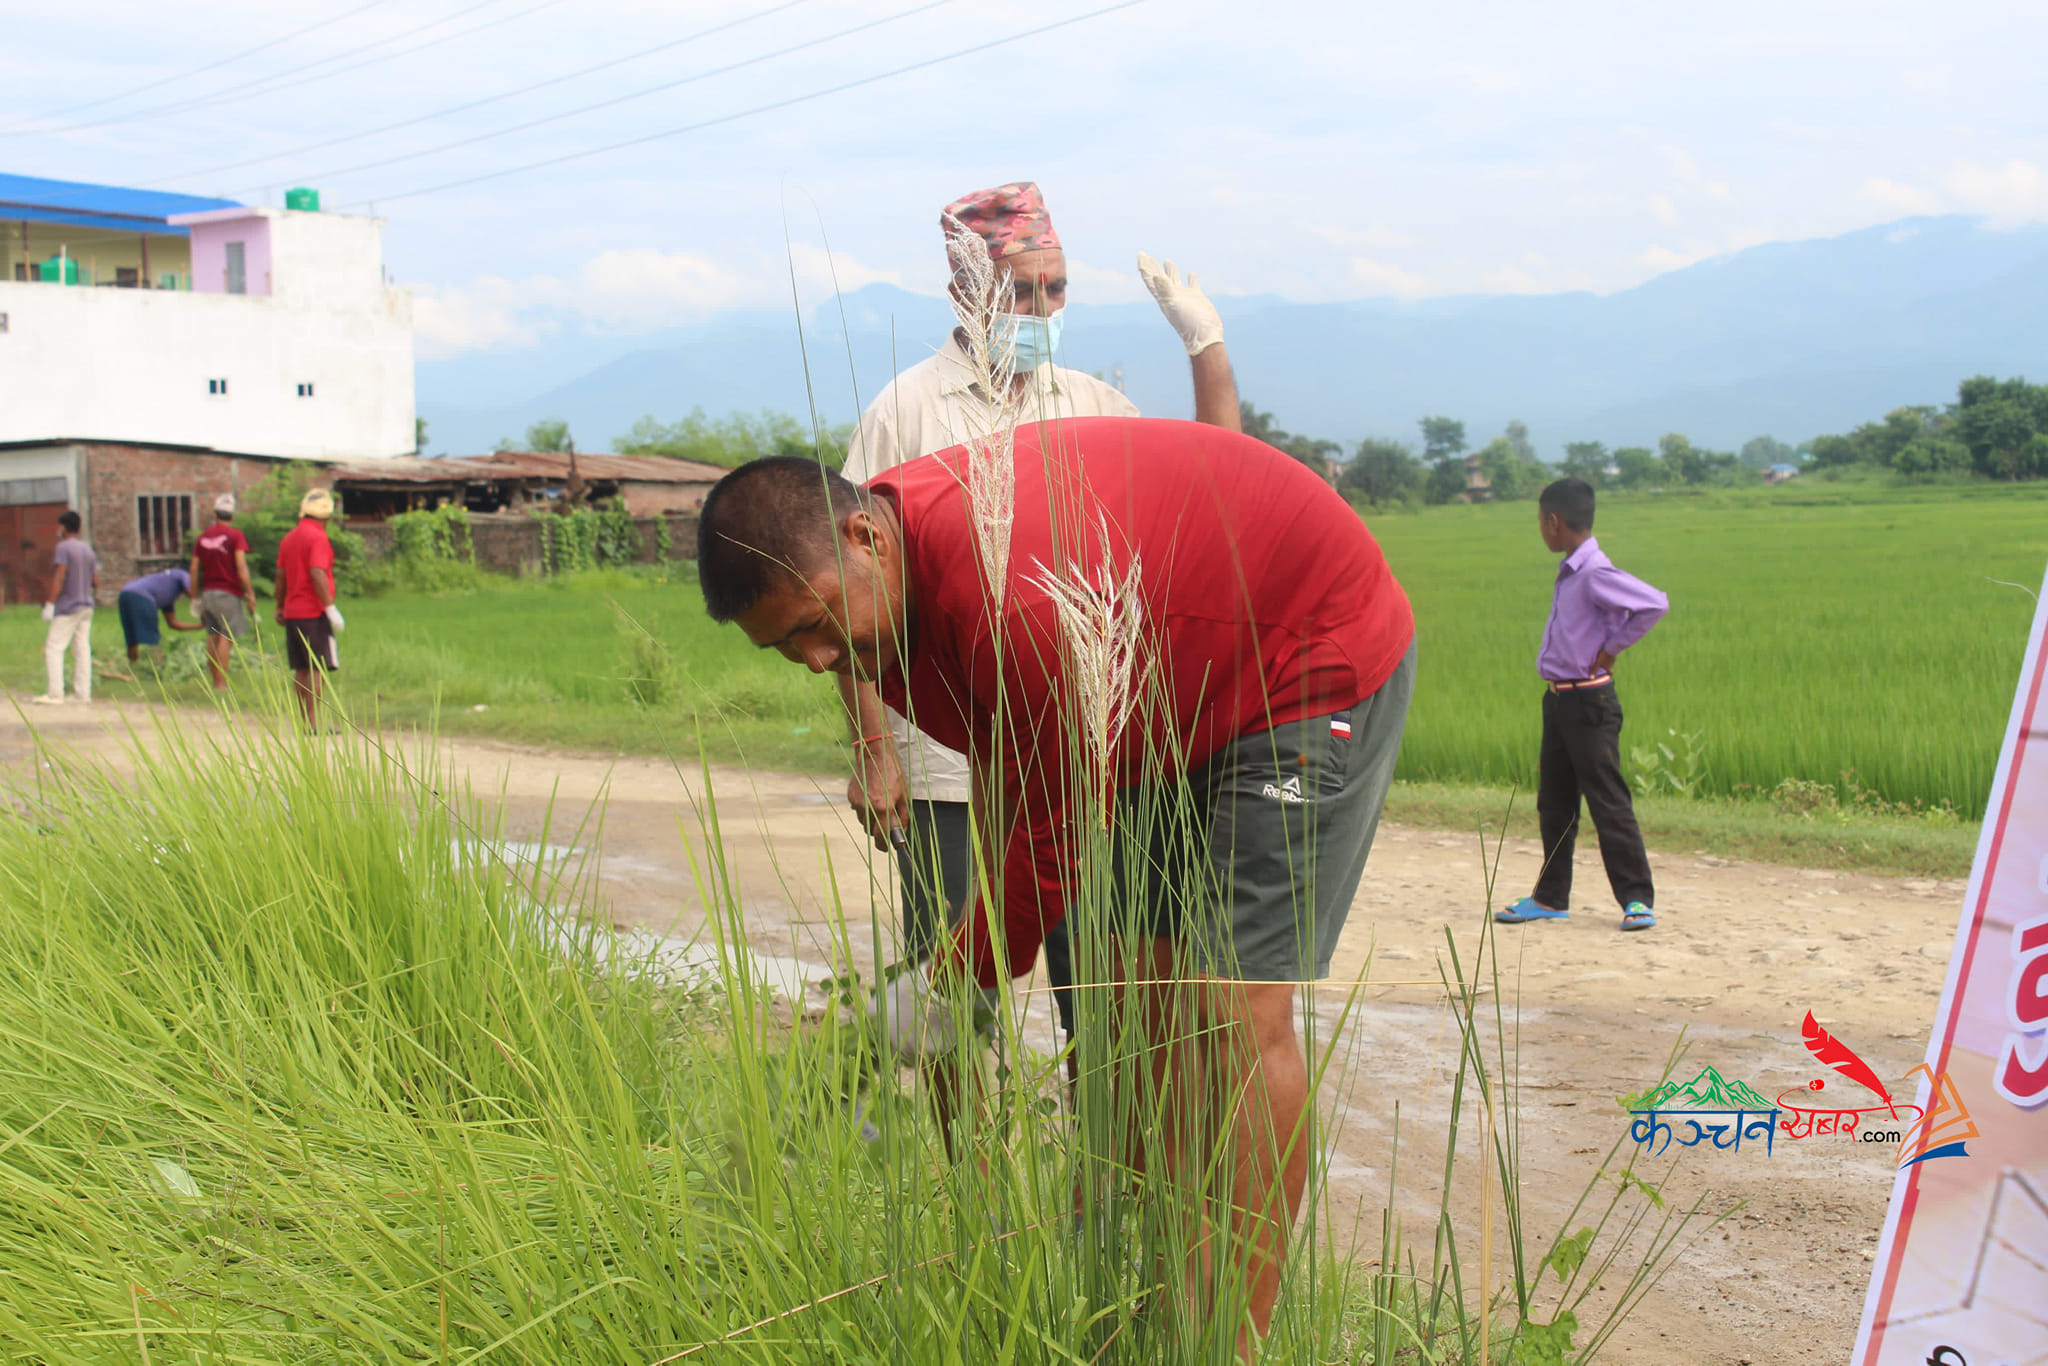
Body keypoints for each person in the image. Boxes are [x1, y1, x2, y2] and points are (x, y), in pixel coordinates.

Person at [695, 418, 1415, 1356]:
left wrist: (954, 978)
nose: (816, 663)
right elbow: (1005, 766)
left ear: (864, 537)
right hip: (1156, 687)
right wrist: (961, 966)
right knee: (1132, 993)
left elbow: (1049, 847)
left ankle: (1226, 1343)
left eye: (812, 627)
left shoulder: (1014, 597)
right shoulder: (893, 610)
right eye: (782, 650)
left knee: (1227, 1008)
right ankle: (1144, 1296)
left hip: (1296, 662)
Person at [842, 179, 1243, 1047]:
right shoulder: (904, 414)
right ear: (966, 290)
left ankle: (1103, 1172)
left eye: (1055, 290)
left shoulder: (1093, 407)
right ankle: (960, 1177)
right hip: (948, 756)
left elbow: (1216, 483)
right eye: (1023, 292)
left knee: (1100, 988)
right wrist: (876, 750)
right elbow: (849, 603)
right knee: (954, 988)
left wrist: (1204, 345)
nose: (1043, 309)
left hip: (1091, 753)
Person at [1495, 477, 1668, 932]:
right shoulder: (1573, 568)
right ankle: (1550, 898)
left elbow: (1653, 604)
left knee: (1607, 800)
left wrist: (1612, 648)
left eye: (1540, 522)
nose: (1540, 530)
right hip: (1558, 700)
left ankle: (1636, 900)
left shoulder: (1593, 572)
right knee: (1554, 803)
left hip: (1589, 703)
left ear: (1553, 522)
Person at [275, 487, 346, 729]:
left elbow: (280, 575)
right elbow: (317, 572)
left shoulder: (289, 538)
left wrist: (278, 607)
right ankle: (315, 723)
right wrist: (330, 607)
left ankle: (305, 721)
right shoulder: (318, 538)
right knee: (316, 667)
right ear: (326, 517)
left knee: (301, 668)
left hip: (293, 611)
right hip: (313, 612)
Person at [189, 493, 257, 689]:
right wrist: (250, 592)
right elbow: (241, 566)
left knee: (212, 635)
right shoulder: (235, 536)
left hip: (208, 593)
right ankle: (221, 684)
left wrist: (194, 596)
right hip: (228, 593)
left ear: (214, 514)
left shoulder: (203, 536)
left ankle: (215, 681)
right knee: (226, 638)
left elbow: (194, 568)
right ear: (233, 516)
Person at [33, 510, 98, 705]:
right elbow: (95, 580)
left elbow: (60, 575)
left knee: (54, 648)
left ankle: (55, 694)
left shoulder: (63, 548)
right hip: (86, 606)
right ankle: (83, 694)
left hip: (68, 607)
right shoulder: (88, 550)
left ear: (63, 527)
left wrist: (50, 604)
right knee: (82, 650)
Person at [115, 565, 201, 666]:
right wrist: (203, 611)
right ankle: (158, 666)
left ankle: (133, 664)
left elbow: (172, 623)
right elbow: (191, 592)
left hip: (125, 593)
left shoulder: (167, 596)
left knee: (131, 634)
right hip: (142, 596)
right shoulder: (183, 574)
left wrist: (199, 626)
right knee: (152, 636)